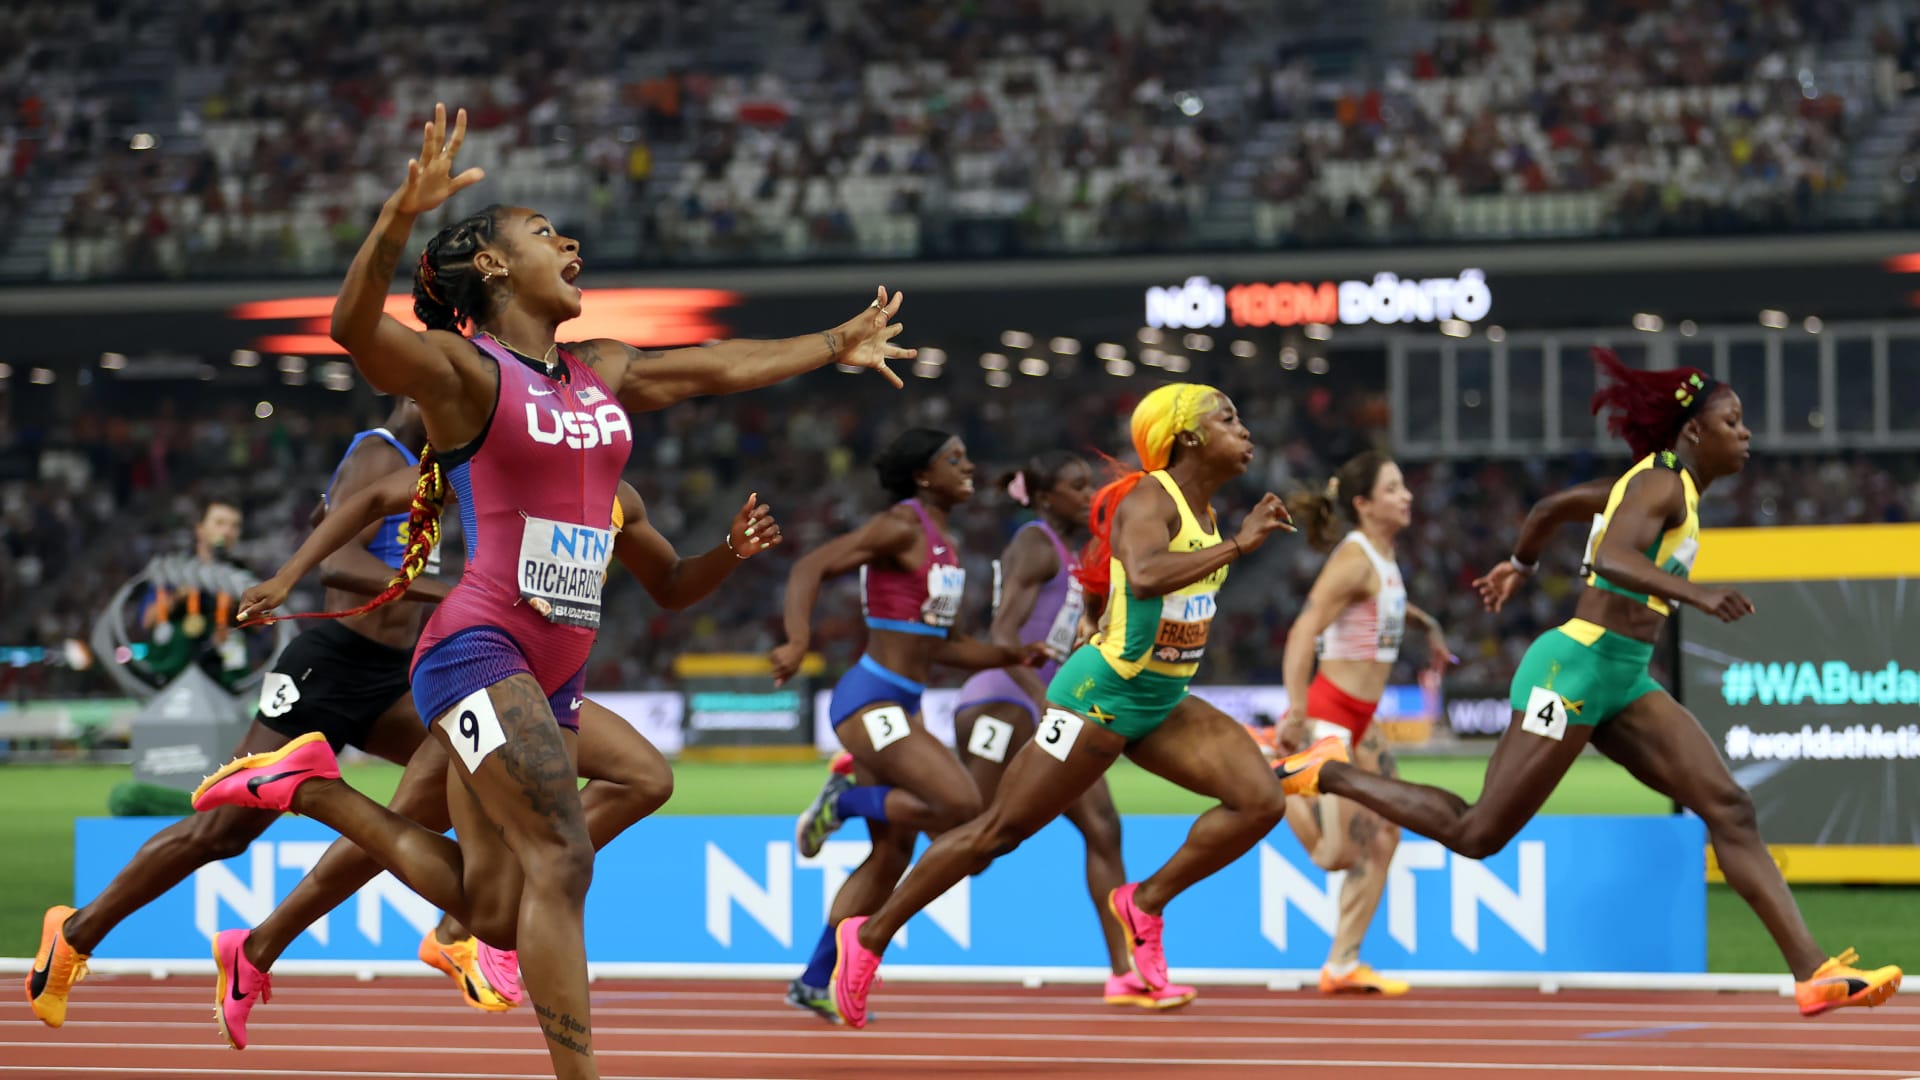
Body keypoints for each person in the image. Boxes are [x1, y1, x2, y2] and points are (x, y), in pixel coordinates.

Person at [188, 102, 909, 1080]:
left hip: (558, 660)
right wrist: (400, 215)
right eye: (542, 234)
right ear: (493, 270)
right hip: (477, 644)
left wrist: (836, 342)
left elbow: (716, 368)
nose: (568, 242)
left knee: (491, 907)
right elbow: (351, 325)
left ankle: (307, 785)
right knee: (562, 861)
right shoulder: (462, 374)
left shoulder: (598, 369)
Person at [1318, 350, 1901, 1018]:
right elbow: (1611, 557)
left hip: (1622, 676)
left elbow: (1552, 505)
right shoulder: (1662, 484)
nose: (1745, 434)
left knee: (1730, 808)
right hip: (1573, 670)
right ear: (1692, 433)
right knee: (1478, 833)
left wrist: (1518, 563)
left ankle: (1813, 972)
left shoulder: (1652, 485)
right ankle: (1332, 772)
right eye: (1732, 422)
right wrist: (1695, 594)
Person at [820, 382, 1349, 1029]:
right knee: (995, 833)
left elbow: (1120, 584)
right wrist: (1241, 545)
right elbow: (1150, 573)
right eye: (1228, 419)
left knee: (1259, 802)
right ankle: (868, 938)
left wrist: (1104, 612)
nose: (1246, 431)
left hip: (1162, 697)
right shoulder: (1152, 497)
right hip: (1101, 699)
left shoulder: (1208, 514)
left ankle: (1144, 903)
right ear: (1187, 437)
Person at [218, 459, 777, 1037]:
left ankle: (267, 944)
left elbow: (672, 584)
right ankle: (300, 887)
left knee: (644, 778)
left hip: (544, 691)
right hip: (479, 668)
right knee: (412, 826)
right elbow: (368, 500)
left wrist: (731, 550)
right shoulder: (501, 461)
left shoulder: (620, 499)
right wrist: (287, 578)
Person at [25, 404, 449, 1030]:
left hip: (387, 677)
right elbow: (339, 563)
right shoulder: (378, 453)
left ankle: (451, 931)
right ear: (419, 392)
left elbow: (322, 522)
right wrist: (456, 592)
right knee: (221, 834)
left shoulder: (425, 466)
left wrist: (329, 511)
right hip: (327, 669)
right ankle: (74, 934)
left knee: (462, 769)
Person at [771, 427, 1048, 1020]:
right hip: (871, 702)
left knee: (891, 856)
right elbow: (811, 566)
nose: (969, 466)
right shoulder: (902, 525)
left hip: (905, 704)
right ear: (924, 475)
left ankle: (815, 979)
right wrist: (797, 640)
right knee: (964, 810)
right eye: (955, 459)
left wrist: (1012, 656)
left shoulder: (946, 542)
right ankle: (844, 802)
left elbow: (945, 648)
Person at [946, 452, 1190, 1009]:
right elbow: (1004, 632)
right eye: (1076, 487)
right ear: (1042, 496)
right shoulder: (1034, 543)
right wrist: (1046, 704)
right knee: (977, 846)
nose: (1089, 495)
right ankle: (863, 795)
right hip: (1003, 704)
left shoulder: (1078, 551)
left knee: (1103, 827)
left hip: (1052, 711)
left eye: (1091, 485)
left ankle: (1125, 972)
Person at [1270, 451, 1455, 997]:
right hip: (1329, 716)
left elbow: (1391, 604)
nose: (1408, 496)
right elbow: (1304, 629)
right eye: (1394, 488)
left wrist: (1431, 626)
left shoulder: (1383, 554)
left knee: (1387, 835)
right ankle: (1275, 775)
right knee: (1336, 855)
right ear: (1363, 504)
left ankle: (1343, 962)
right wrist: (1298, 709)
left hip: (1364, 720)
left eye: (1404, 486)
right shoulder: (1352, 559)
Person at [138, 499, 259, 689]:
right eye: (219, 523)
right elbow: (148, 620)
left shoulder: (243, 576)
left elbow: (261, 626)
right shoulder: (175, 569)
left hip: (225, 678)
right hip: (173, 675)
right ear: (200, 529)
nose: (227, 532)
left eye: (235, 526)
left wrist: (241, 606)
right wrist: (180, 595)